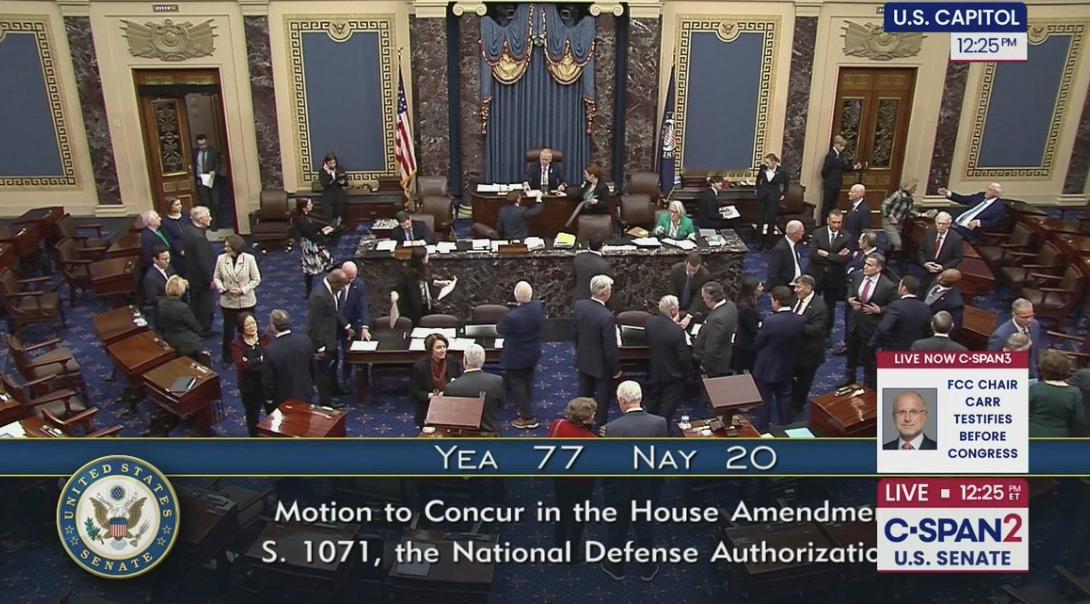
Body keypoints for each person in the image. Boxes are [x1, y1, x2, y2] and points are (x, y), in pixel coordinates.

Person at [599, 381, 668, 582]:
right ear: (640, 398)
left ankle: (615, 567)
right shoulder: (660, 423)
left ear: (621, 401)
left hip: (620, 490)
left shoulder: (611, 429)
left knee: (617, 528)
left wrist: (607, 488)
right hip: (649, 488)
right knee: (645, 526)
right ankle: (647, 568)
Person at [752, 286, 806, 429]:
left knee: (764, 401)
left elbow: (758, 342)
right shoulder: (800, 320)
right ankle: (786, 429)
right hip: (787, 366)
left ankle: (763, 430)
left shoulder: (770, 321)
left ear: (776, 301)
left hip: (766, 367)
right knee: (785, 399)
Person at [547, 397, 596, 552]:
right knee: (578, 519)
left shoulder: (557, 424)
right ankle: (572, 553)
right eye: (593, 414)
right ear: (585, 419)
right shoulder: (592, 439)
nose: (594, 415)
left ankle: (558, 547)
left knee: (561, 513)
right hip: (582, 484)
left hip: (560, 478)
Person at [573, 274, 621, 426]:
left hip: (583, 359)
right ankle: (599, 429)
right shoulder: (606, 316)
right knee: (601, 403)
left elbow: (576, 333)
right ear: (605, 293)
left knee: (583, 399)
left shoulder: (579, 306)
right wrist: (616, 370)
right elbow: (610, 347)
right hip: (601, 367)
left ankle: (580, 427)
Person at [844, 253, 897, 389]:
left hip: (871, 326)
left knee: (869, 357)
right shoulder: (857, 276)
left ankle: (869, 384)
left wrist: (881, 310)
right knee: (851, 353)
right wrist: (850, 300)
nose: (865, 267)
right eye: (865, 263)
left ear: (878, 268)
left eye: (869, 265)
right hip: (855, 322)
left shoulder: (888, 285)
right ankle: (849, 377)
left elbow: (895, 306)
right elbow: (850, 290)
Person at [497, 281, 544, 430]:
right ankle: (525, 405)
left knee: (517, 384)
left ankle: (527, 417)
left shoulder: (511, 317)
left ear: (515, 296)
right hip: (532, 352)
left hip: (516, 357)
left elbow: (500, 329)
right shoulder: (538, 307)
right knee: (528, 379)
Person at [309, 269, 353, 408]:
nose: (343, 289)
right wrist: (320, 347)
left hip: (332, 338)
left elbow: (334, 311)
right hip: (323, 341)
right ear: (336, 283)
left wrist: (346, 326)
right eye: (342, 286)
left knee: (333, 365)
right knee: (323, 372)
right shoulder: (319, 296)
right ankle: (326, 400)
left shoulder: (330, 290)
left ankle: (334, 389)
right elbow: (314, 324)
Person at [214, 235, 261, 364]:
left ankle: (253, 353)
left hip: (246, 300)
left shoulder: (249, 259)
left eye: (228, 246)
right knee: (228, 330)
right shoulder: (221, 259)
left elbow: (256, 279)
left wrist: (243, 290)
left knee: (250, 328)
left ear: (235, 247)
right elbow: (217, 277)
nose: (225, 248)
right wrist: (221, 288)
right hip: (228, 301)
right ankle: (228, 357)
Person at [645, 295, 691, 424]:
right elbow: (683, 356)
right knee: (667, 408)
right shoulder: (677, 331)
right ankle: (662, 430)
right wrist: (688, 372)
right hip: (673, 375)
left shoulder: (650, 322)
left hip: (655, 370)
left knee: (653, 403)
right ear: (673, 310)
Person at [834, 230, 881, 355]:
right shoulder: (860, 253)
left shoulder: (876, 258)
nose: (858, 241)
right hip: (852, 293)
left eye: (861, 239)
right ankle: (848, 344)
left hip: (863, 299)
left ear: (866, 242)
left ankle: (857, 349)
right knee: (849, 321)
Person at [443, 344, 505, 434]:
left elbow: (448, 415)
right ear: (483, 360)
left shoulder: (451, 387)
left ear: (465, 360)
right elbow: (501, 405)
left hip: (462, 435)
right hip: (490, 434)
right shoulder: (497, 381)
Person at [810, 209, 851, 338]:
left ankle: (826, 333)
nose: (837, 225)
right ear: (828, 220)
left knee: (830, 307)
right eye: (834, 222)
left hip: (835, 277)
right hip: (817, 275)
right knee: (811, 303)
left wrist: (827, 255)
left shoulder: (847, 237)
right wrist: (835, 257)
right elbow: (813, 255)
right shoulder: (818, 233)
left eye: (839, 222)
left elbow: (845, 259)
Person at [230, 312, 272, 436]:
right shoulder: (236, 344)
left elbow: (270, 358)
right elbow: (241, 365)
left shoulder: (264, 337)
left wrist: (250, 362)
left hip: (266, 383)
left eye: (253, 323)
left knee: (272, 412)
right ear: (241, 327)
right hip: (249, 387)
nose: (252, 326)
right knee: (252, 415)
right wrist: (260, 360)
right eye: (247, 324)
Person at [262, 309, 316, 407]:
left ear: (273, 326)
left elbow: (269, 380)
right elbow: (313, 367)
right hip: (306, 391)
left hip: (283, 399)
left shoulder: (271, 351)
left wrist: (269, 398)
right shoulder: (305, 340)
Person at [791, 275, 828, 415]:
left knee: (804, 381)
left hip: (809, 353)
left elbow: (815, 330)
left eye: (798, 287)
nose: (795, 290)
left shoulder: (819, 307)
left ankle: (798, 404)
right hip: (793, 349)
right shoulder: (795, 299)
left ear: (808, 287)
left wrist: (794, 324)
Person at [409, 334, 463, 428]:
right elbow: (415, 392)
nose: (443, 350)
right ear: (431, 350)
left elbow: (458, 382)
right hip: (428, 406)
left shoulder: (451, 361)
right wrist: (432, 396)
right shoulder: (420, 366)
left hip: (449, 404)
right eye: (438, 347)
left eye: (444, 347)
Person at [1030, 351, 1086, 437]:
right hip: (1061, 437)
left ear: (1042, 370)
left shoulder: (1035, 389)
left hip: (1034, 435)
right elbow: (1079, 421)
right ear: (1067, 369)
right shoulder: (1074, 393)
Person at [393, 246, 452, 326]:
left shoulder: (424, 270)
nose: (428, 257)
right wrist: (394, 295)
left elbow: (427, 281)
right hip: (415, 313)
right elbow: (398, 288)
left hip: (427, 308)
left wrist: (440, 283)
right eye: (427, 255)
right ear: (422, 259)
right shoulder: (408, 275)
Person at [180, 206, 216, 335]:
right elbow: (204, 261)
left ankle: (196, 327)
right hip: (202, 278)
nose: (210, 218)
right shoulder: (199, 238)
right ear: (201, 219)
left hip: (192, 274)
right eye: (208, 216)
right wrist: (211, 278)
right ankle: (204, 329)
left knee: (195, 303)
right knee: (205, 305)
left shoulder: (188, 230)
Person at [872, 276, 931, 352]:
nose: (898, 287)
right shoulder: (925, 307)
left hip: (895, 350)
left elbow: (883, 329)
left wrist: (886, 344)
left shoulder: (896, 306)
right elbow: (928, 331)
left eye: (899, 285)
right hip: (916, 351)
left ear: (904, 289)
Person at [337, 261, 372, 388]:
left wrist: (364, 327)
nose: (351, 280)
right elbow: (335, 310)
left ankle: (362, 381)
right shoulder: (335, 283)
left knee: (357, 353)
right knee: (342, 354)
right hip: (337, 323)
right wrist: (346, 326)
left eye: (353, 277)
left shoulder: (359, 284)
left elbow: (363, 307)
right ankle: (343, 381)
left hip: (353, 323)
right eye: (349, 278)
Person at [988, 298, 1041, 379]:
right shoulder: (1001, 336)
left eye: (1031, 315)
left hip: (1032, 373)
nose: (1029, 320)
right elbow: (992, 363)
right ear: (1014, 315)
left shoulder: (1035, 325)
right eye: (1024, 317)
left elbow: (1034, 352)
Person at [693, 281, 737, 377]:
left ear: (709, 298)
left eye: (704, 297)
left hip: (713, 366)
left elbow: (711, 347)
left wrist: (703, 366)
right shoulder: (730, 305)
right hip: (725, 354)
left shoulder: (716, 319)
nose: (703, 300)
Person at [937, 182, 1006, 241]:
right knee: (939, 218)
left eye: (990, 190)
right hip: (956, 222)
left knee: (944, 228)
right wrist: (947, 193)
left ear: (996, 194)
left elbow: (995, 223)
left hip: (968, 230)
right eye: (987, 189)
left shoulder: (998, 207)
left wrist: (979, 222)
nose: (986, 191)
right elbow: (964, 199)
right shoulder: (981, 196)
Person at [294, 198, 334, 298]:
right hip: (310, 247)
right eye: (309, 204)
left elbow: (313, 228)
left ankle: (311, 291)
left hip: (312, 245)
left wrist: (322, 230)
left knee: (323, 264)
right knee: (320, 264)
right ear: (304, 207)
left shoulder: (306, 217)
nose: (312, 205)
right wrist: (324, 233)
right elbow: (311, 235)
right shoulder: (301, 220)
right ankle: (330, 286)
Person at [879, 181, 924, 268]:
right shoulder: (898, 195)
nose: (915, 189)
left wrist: (921, 215)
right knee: (897, 243)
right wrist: (890, 216)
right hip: (889, 222)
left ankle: (884, 263)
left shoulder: (909, 198)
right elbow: (884, 205)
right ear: (909, 187)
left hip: (899, 224)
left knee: (891, 244)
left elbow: (910, 210)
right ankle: (900, 266)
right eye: (914, 187)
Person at [157, 276, 203, 358]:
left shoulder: (161, 304)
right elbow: (195, 327)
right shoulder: (183, 307)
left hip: (168, 339)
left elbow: (159, 324)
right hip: (185, 343)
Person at [916, 211, 963, 290]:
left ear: (949, 225)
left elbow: (957, 258)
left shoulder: (956, 239)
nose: (941, 226)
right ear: (936, 223)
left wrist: (942, 267)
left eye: (944, 224)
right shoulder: (929, 233)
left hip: (942, 273)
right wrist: (925, 263)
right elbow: (921, 251)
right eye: (939, 223)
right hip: (926, 270)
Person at [755, 153, 789, 249]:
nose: (766, 164)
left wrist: (783, 194)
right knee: (760, 219)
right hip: (762, 196)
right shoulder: (762, 168)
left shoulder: (781, 171)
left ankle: (768, 243)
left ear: (774, 162)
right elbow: (758, 179)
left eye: (768, 162)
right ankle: (759, 242)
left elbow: (786, 184)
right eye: (765, 162)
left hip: (774, 196)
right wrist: (757, 189)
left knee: (771, 220)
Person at [731, 276, 764, 375]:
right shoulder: (746, 308)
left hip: (747, 343)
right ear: (753, 290)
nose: (762, 288)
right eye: (759, 287)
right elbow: (753, 329)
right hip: (745, 347)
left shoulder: (750, 304)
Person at [821, 134, 861, 211]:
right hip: (830, 184)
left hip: (837, 183)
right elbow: (825, 170)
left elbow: (843, 167)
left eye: (843, 146)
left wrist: (854, 167)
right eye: (841, 146)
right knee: (827, 205)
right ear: (836, 144)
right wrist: (829, 179)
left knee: (833, 204)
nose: (842, 148)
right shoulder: (831, 155)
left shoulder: (840, 155)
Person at [668, 252, 710, 319]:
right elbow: (672, 290)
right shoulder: (675, 270)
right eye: (690, 270)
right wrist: (675, 310)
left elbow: (699, 297)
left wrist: (689, 315)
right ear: (686, 263)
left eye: (694, 270)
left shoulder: (704, 275)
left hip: (692, 307)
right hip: (677, 303)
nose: (692, 273)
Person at [767, 220, 805, 289]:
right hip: (786, 287)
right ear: (794, 234)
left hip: (795, 284)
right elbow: (773, 273)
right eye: (802, 231)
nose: (803, 233)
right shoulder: (780, 249)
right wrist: (783, 289)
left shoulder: (793, 244)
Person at [193, 134, 221, 227]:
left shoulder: (213, 152)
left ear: (207, 142)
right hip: (201, 180)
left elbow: (217, 165)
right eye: (200, 145)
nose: (202, 147)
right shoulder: (194, 153)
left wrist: (214, 171)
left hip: (212, 180)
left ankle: (215, 223)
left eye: (204, 144)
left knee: (215, 203)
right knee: (206, 203)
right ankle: (206, 223)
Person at [572, 237, 611, 304]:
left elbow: (574, 279)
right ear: (603, 246)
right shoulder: (604, 265)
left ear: (588, 244)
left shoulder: (578, 258)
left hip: (577, 300)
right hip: (594, 302)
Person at [142, 246, 174, 321]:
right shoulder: (150, 277)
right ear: (155, 259)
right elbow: (153, 298)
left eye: (168, 258)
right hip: (161, 312)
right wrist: (172, 299)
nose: (167, 261)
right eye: (164, 259)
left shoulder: (169, 268)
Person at [319, 152, 347, 226]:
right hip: (328, 199)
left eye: (334, 162)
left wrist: (343, 182)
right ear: (326, 163)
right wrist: (329, 174)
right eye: (330, 163)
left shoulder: (340, 169)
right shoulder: (322, 172)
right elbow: (325, 184)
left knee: (339, 220)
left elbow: (346, 182)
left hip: (339, 198)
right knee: (329, 221)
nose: (333, 165)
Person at [161, 196, 187, 276]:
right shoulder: (165, 222)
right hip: (178, 254)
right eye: (177, 204)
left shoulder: (186, 217)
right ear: (170, 206)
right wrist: (180, 250)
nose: (180, 206)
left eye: (180, 204)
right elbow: (170, 239)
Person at [843, 184, 870, 248]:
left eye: (852, 192)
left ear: (859, 194)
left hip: (855, 243)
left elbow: (864, 230)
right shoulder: (850, 204)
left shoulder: (865, 210)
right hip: (846, 239)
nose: (849, 193)